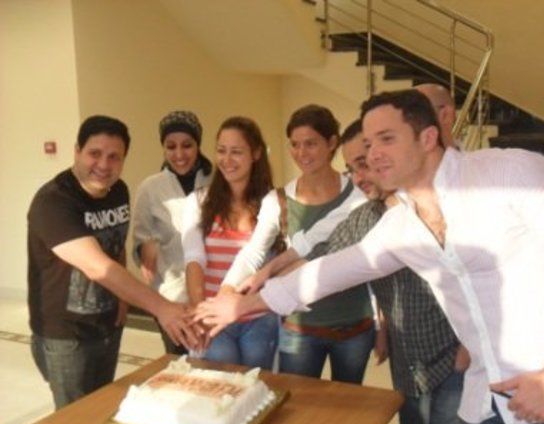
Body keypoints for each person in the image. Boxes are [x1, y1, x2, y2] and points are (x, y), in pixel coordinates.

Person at [194, 89, 544, 424]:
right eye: (368, 144)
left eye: (387, 139)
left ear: (428, 137)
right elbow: (333, 269)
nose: (373, 155)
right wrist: (243, 304)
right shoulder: (401, 225)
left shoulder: (510, 172)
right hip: (487, 402)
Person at [306, 119, 465, 424]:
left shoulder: (437, 205)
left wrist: (470, 346)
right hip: (410, 364)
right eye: (351, 169)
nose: (359, 177)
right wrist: (255, 287)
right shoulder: (367, 217)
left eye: (363, 164)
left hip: (455, 359)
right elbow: (322, 258)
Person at [28, 115, 200, 410]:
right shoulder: (54, 202)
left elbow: (116, 246)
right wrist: (162, 308)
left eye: (114, 157)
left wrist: (122, 301)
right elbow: (98, 266)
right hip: (66, 335)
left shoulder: (117, 190)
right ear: (77, 151)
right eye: (94, 153)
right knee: (74, 417)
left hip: (108, 324)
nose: (103, 165)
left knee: (101, 405)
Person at [221, 104, 373, 384]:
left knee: (349, 403)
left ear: (332, 143)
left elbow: (335, 255)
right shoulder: (277, 200)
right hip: (300, 329)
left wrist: (382, 323)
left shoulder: (360, 194)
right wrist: (227, 289)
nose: (302, 153)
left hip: (354, 326)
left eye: (310, 144)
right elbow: (254, 251)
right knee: (296, 402)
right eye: (294, 144)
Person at [181, 117, 280, 369]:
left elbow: (260, 256)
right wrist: (201, 311)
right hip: (213, 315)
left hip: (258, 316)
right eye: (221, 151)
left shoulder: (273, 203)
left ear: (256, 154)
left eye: (236, 152)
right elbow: (194, 259)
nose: (227, 160)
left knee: (256, 384)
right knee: (222, 379)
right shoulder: (198, 202)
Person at [131, 110, 213, 355]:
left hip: (213, 293)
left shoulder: (217, 182)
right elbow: (139, 239)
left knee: (216, 361)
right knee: (180, 364)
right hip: (171, 297)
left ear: (198, 145)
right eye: (171, 146)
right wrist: (145, 248)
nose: (179, 154)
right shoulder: (150, 188)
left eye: (187, 145)